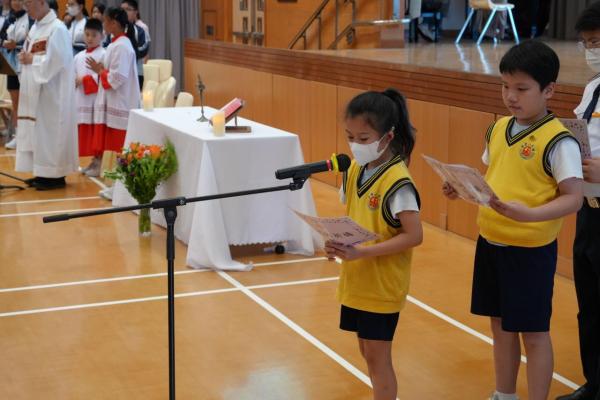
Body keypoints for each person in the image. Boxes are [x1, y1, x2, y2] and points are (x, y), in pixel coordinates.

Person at [442, 40, 583, 400]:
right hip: (490, 243)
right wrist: (461, 189)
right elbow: (494, 180)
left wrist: (530, 214)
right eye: (505, 86)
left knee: (533, 334)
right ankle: (504, 394)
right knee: (501, 327)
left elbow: (574, 197)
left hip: (529, 252)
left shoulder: (559, 141)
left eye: (521, 89)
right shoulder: (498, 128)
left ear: (548, 90)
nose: (510, 96)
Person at [325, 88, 423, 400]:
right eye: (350, 137)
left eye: (364, 138)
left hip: (382, 285)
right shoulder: (355, 168)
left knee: (379, 360)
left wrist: (362, 252)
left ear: (387, 136)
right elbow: (356, 219)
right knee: (367, 352)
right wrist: (337, 244)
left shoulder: (398, 182)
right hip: (357, 279)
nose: (355, 145)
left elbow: (414, 235)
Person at [555, 5, 600, 400]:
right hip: (589, 208)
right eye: (586, 44)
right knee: (590, 303)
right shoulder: (593, 87)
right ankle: (594, 383)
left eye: (597, 42)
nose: (591, 51)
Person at [15, 0, 78, 190]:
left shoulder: (57, 29)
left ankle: (55, 176)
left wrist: (32, 59)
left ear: (42, 2)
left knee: (50, 133)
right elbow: (30, 53)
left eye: (29, 3)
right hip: (36, 90)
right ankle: (42, 172)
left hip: (53, 93)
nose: (26, 7)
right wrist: (23, 57)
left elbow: (57, 61)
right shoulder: (35, 28)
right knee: (38, 134)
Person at [87, 7, 139, 198]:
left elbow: (117, 78)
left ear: (114, 23)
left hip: (122, 104)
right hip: (116, 103)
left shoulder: (122, 46)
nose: (103, 25)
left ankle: (124, 189)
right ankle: (119, 186)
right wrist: (102, 69)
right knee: (119, 150)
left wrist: (100, 71)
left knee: (123, 149)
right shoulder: (116, 44)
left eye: (105, 21)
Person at [74, 18, 104, 177]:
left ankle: (99, 163)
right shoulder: (78, 56)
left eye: (94, 35)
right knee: (87, 134)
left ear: (102, 36)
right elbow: (72, 74)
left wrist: (84, 80)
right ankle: (93, 161)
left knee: (97, 133)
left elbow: (103, 77)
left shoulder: (104, 54)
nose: (90, 38)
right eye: (87, 34)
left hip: (96, 101)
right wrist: (73, 80)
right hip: (82, 100)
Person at [1, 0, 32, 150]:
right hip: (11, 65)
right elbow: (1, 37)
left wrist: (16, 45)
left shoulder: (30, 18)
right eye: (14, 0)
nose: (16, 3)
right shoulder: (10, 19)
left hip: (26, 65)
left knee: (27, 101)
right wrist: (5, 43)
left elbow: (32, 41)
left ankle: (29, 136)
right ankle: (18, 135)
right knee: (15, 103)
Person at [120, 0, 147, 89]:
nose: (124, 12)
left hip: (136, 72)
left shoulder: (140, 30)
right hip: (117, 72)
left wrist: (125, 53)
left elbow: (144, 49)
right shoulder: (114, 30)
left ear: (135, 12)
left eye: (127, 9)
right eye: (122, 9)